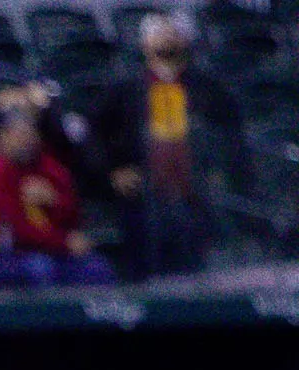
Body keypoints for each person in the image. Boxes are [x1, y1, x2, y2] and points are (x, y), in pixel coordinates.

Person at [94, 14, 237, 279]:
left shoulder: (208, 88)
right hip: (144, 197)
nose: (166, 36)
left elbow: (230, 135)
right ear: (144, 43)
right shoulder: (125, 89)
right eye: (158, 31)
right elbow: (96, 135)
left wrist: (218, 171)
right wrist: (114, 171)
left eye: (173, 31)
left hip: (195, 195)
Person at [0, 110, 114, 288]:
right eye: (18, 134)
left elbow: (73, 214)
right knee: (39, 267)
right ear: (0, 139)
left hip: (53, 251)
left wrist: (54, 201)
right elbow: (16, 231)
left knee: (97, 268)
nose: (26, 140)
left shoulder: (51, 168)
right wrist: (63, 242)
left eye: (29, 133)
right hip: (3, 256)